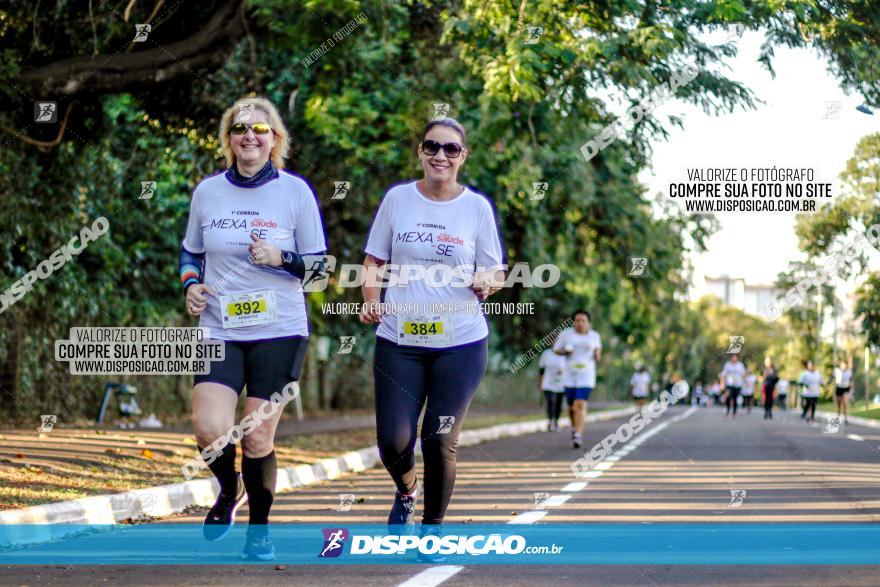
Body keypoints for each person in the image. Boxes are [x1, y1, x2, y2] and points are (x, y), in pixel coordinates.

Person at [181, 97, 327, 560]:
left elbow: (321, 271)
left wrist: (281, 258)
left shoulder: (295, 192)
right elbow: (191, 253)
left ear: (274, 139)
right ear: (229, 139)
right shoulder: (207, 192)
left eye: (260, 129)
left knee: (257, 436)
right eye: (240, 128)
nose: (250, 136)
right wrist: (191, 285)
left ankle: (258, 533)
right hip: (219, 326)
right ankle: (229, 490)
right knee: (209, 429)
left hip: (280, 329)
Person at [358, 117, 505, 551]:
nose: (441, 155)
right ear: (421, 152)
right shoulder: (398, 199)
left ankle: (432, 529)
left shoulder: (476, 208)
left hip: (459, 342)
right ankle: (406, 490)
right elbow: (373, 260)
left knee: (439, 437)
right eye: (432, 146)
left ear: (463, 157)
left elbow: (494, 268)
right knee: (393, 441)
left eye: (451, 149)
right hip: (399, 340)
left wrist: (488, 282)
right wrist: (371, 298)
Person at [553, 310, 602, 449]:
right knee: (571, 407)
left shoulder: (594, 336)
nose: (579, 323)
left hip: (586, 376)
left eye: (583, 321)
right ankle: (575, 428)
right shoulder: (566, 334)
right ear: (574, 322)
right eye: (577, 320)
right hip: (569, 375)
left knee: (580, 404)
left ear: (588, 323)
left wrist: (597, 354)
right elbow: (556, 349)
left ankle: (578, 435)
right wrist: (565, 352)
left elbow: (598, 353)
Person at [539, 347, 566, 431]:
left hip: (561, 385)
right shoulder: (546, 354)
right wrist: (539, 382)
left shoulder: (566, 354)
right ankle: (550, 421)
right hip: (548, 384)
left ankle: (556, 422)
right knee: (551, 401)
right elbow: (541, 369)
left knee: (558, 404)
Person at [719, 354, 745, 418]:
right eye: (733, 357)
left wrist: (744, 383)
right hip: (729, 384)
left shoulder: (740, 365)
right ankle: (728, 410)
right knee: (728, 397)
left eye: (735, 357)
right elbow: (723, 374)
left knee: (735, 398)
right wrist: (722, 383)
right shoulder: (728, 365)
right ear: (731, 358)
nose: (734, 359)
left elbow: (743, 374)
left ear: (737, 358)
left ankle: (734, 412)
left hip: (738, 384)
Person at [833, 358, 853, 424]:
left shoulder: (849, 372)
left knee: (845, 403)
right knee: (839, 405)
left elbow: (851, 381)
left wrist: (852, 390)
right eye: (843, 364)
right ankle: (838, 417)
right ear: (841, 365)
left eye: (845, 365)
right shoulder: (837, 370)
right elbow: (834, 380)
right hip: (839, 388)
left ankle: (846, 418)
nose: (844, 366)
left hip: (846, 388)